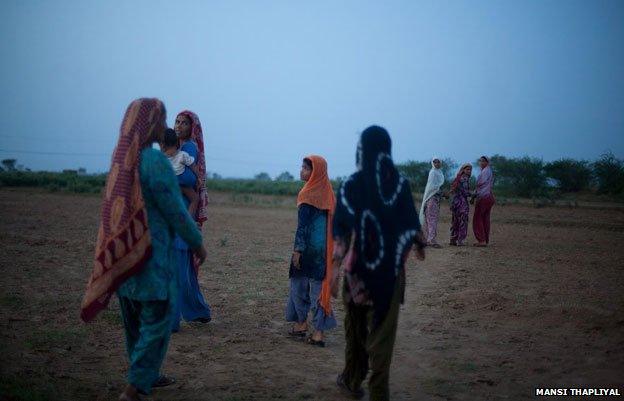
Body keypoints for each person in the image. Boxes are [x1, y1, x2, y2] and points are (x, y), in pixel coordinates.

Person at [80, 98, 207, 401]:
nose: (165, 127)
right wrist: (197, 242)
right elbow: (176, 210)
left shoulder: (120, 158)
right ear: (149, 124)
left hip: (125, 261)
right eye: (162, 120)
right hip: (151, 259)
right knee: (156, 324)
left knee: (134, 326)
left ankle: (147, 374)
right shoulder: (153, 162)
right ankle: (134, 388)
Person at [330, 126, 425, 401]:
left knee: (356, 332)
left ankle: (352, 379)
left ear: (362, 149)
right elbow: (411, 224)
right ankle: (378, 391)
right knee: (382, 338)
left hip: (356, 275)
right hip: (389, 277)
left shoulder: (352, 183)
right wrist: (418, 244)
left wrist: (335, 269)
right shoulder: (399, 184)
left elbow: (343, 229)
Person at [285, 156, 337, 347]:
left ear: (316, 172)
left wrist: (297, 251)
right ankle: (317, 333)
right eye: (302, 167)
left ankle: (301, 324)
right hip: (322, 253)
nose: (301, 171)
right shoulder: (329, 195)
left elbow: (303, 227)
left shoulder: (306, 194)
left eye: (306, 168)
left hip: (306, 251)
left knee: (298, 288)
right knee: (319, 291)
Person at [171, 111, 212, 330]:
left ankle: (171, 320)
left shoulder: (189, 149)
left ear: (192, 128)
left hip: (183, 215)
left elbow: (187, 178)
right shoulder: (175, 148)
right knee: (183, 267)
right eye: (177, 122)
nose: (178, 126)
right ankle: (198, 311)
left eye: (184, 123)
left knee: (177, 267)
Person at [161, 128, 200, 216]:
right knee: (195, 199)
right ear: (177, 142)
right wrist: (199, 178)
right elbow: (193, 166)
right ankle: (189, 221)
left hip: (169, 185)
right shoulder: (182, 155)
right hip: (183, 186)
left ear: (163, 144)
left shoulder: (162, 158)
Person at [419, 157, 445, 248]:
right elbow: (433, 188)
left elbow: (436, 187)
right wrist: (443, 193)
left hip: (433, 200)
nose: (437, 164)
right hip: (431, 200)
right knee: (432, 221)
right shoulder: (433, 173)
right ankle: (431, 241)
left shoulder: (439, 172)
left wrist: (442, 193)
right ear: (432, 163)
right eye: (435, 162)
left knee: (430, 221)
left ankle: (428, 239)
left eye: (438, 162)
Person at [472, 156, 495, 246]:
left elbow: (480, 185)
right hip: (488, 197)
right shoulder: (488, 171)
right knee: (485, 219)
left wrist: (474, 195)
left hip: (483, 198)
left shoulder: (485, 172)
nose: (481, 163)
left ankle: (481, 240)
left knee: (477, 219)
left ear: (487, 162)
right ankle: (485, 240)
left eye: (484, 161)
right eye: (480, 161)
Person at [449, 163, 472, 246]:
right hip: (462, 203)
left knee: (455, 221)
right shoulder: (464, 179)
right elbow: (465, 192)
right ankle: (460, 240)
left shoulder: (457, 178)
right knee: (463, 221)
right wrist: (473, 194)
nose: (469, 171)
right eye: (467, 169)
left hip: (455, 203)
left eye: (470, 170)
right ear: (463, 170)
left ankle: (453, 239)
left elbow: (452, 189)